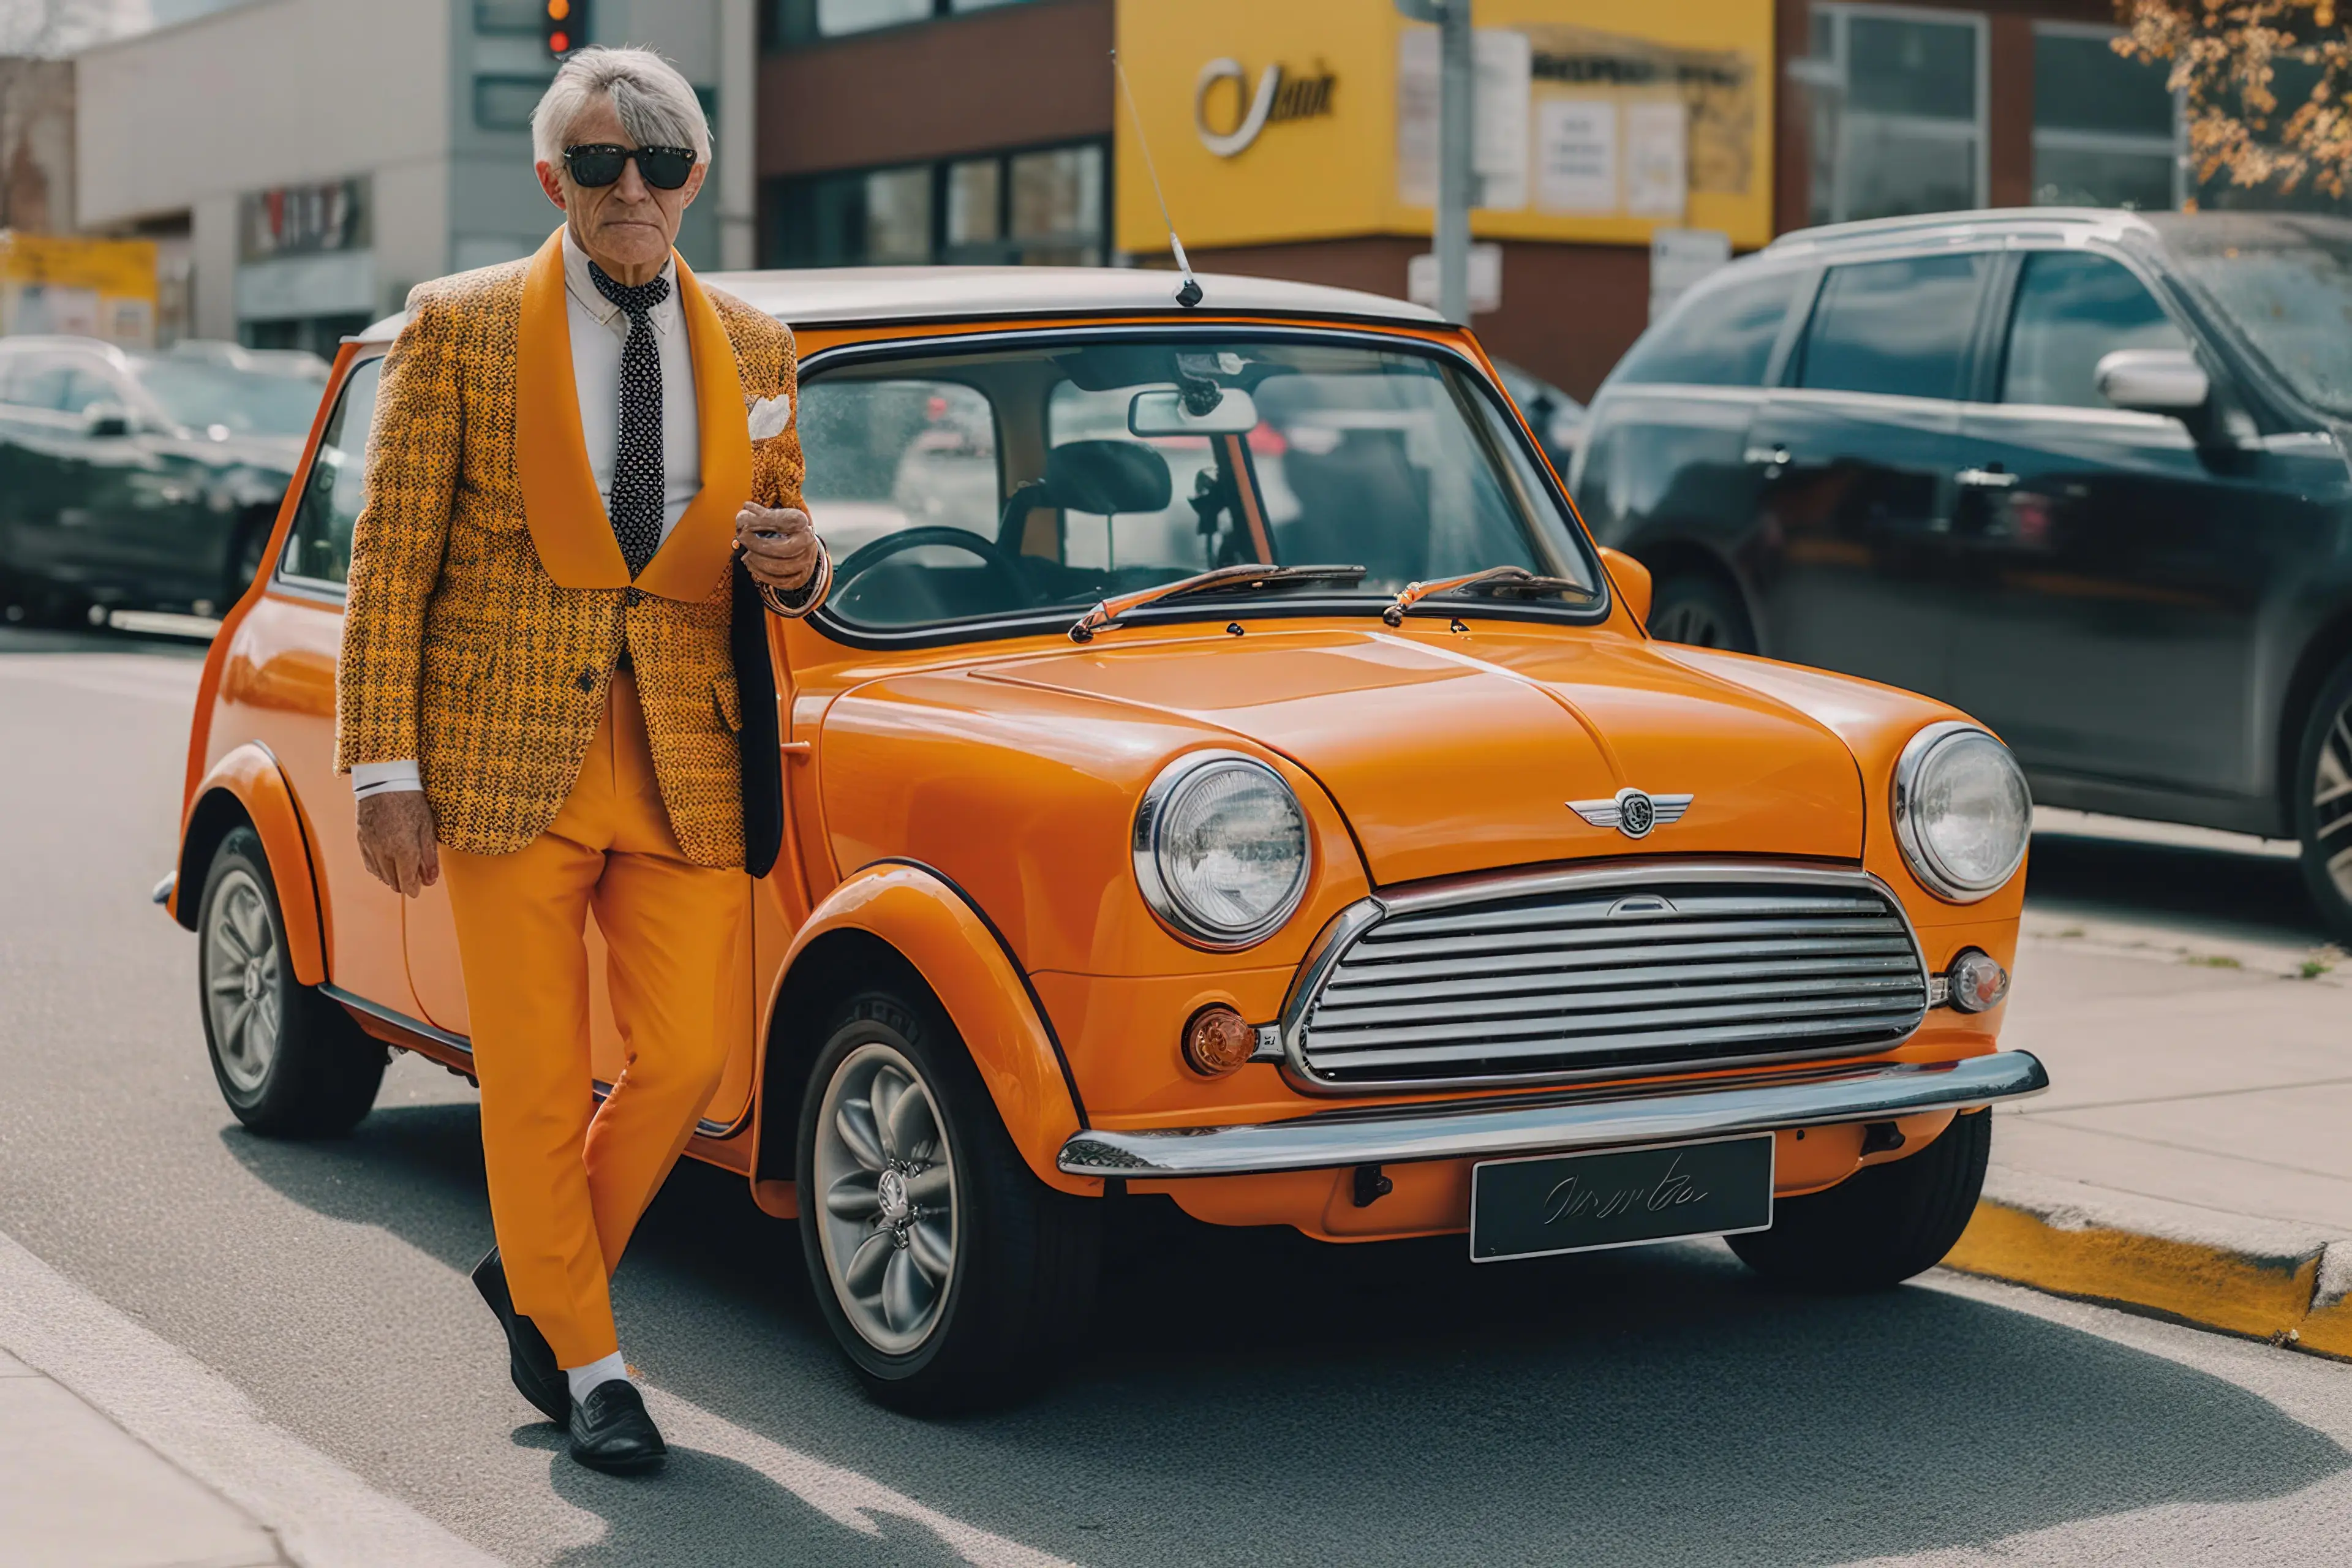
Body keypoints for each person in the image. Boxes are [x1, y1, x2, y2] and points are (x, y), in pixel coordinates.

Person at [335, 46, 829, 1475]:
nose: (634, 188)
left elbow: (779, 540)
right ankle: (595, 1360)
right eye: (605, 163)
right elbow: (390, 563)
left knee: (685, 1058)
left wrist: (799, 566)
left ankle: (537, 1278)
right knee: (539, 1079)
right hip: (500, 754)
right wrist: (384, 768)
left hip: (681, 747)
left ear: (697, 183)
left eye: (661, 164)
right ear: (553, 177)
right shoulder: (459, 326)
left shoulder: (756, 345)